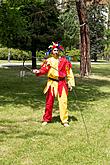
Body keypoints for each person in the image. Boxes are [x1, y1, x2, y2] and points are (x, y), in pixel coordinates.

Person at [33, 42, 75, 127]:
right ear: (52, 51)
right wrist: (38, 72)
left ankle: (64, 121)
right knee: (49, 102)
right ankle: (46, 119)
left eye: (57, 50)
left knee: (63, 102)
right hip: (51, 83)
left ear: (60, 51)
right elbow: (44, 70)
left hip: (62, 83)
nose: (56, 51)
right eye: (54, 50)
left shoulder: (64, 61)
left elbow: (69, 72)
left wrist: (70, 83)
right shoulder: (49, 60)